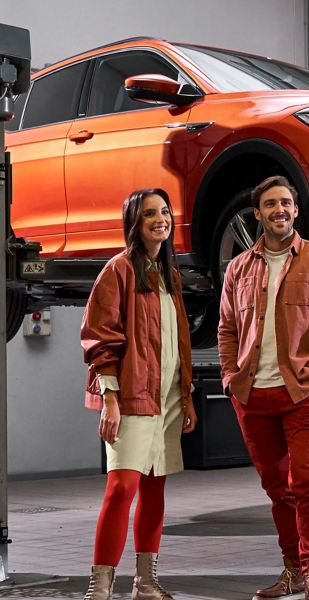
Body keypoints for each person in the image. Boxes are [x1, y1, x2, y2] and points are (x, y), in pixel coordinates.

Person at [218, 175, 309, 600]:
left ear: (296, 211)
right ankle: (291, 570)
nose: (280, 210)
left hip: (302, 394)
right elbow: (226, 329)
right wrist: (229, 377)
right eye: (271, 204)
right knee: (277, 489)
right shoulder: (238, 268)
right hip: (253, 396)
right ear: (257, 214)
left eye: (286, 204)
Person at [80, 189, 197, 600]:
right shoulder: (118, 270)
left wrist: (186, 398)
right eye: (150, 213)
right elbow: (99, 339)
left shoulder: (168, 274)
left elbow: (176, 343)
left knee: (154, 489)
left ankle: (145, 583)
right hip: (130, 398)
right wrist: (109, 398)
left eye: (165, 212)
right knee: (121, 488)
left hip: (166, 400)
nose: (160, 219)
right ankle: (100, 587)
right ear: (135, 220)